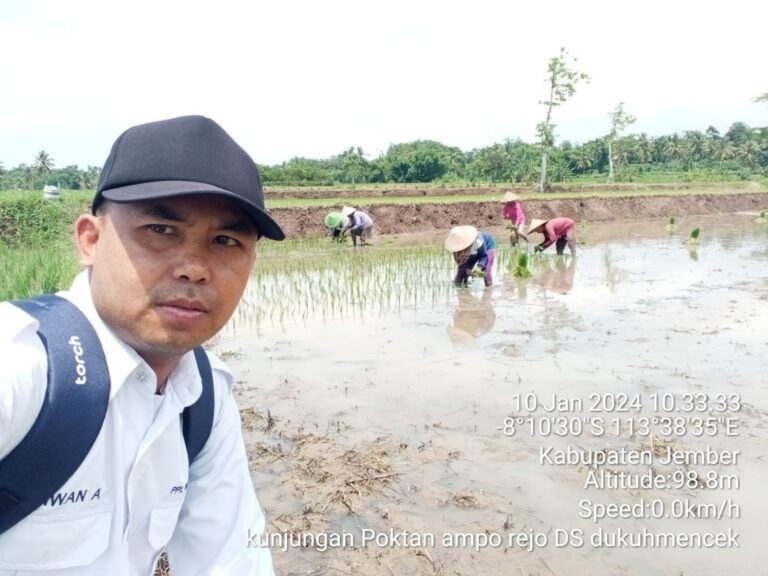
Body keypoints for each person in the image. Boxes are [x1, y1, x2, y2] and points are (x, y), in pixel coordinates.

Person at [0, 115, 282, 575]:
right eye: (161, 230)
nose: (194, 267)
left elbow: (231, 558)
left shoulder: (203, 398)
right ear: (90, 240)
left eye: (225, 240)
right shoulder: (21, 368)